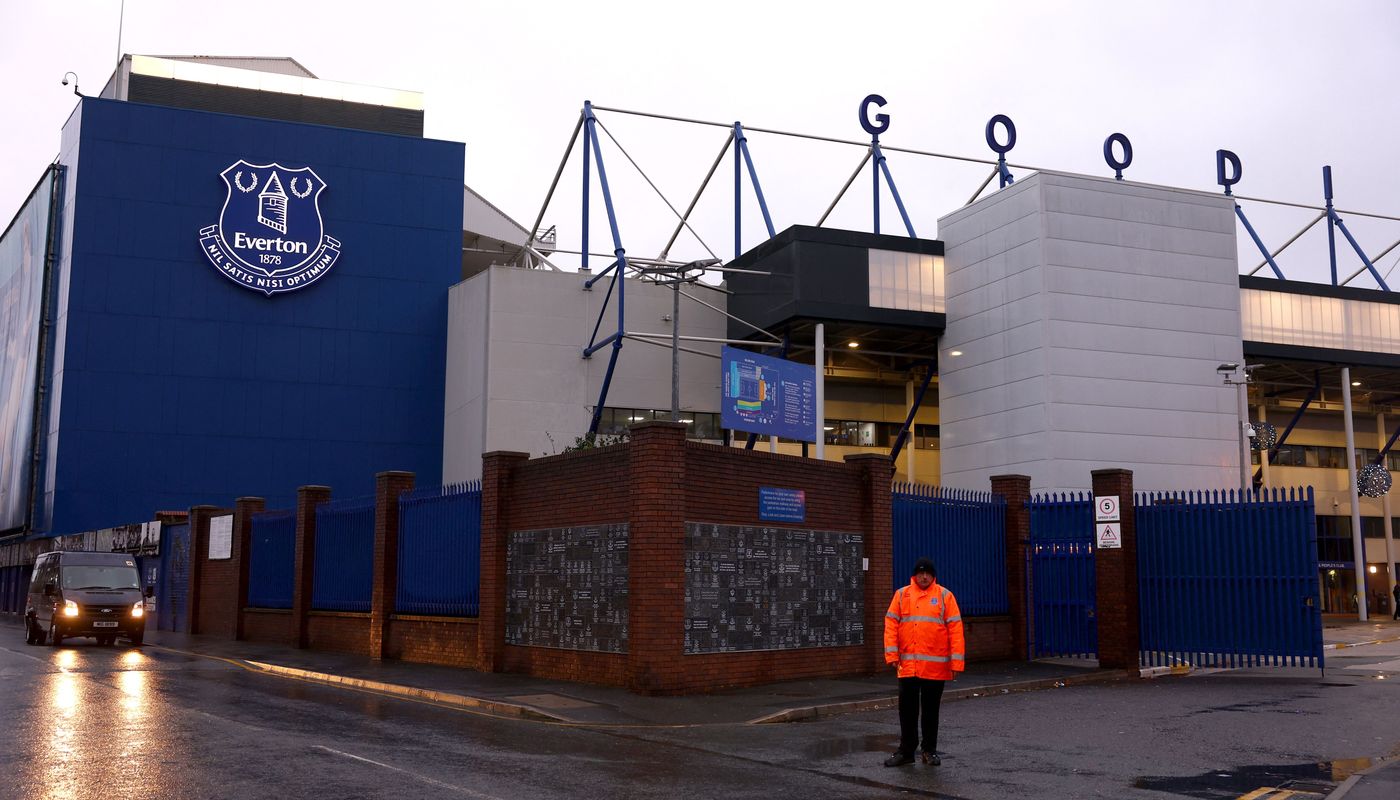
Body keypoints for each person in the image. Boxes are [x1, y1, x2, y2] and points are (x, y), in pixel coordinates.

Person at [882, 557, 965, 767]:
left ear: (933, 575)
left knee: (930, 711)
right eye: (920, 573)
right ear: (914, 575)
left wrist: (956, 663)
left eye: (927, 573)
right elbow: (891, 624)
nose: (924, 577)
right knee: (907, 712)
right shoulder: (902, 595)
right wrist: (891, 655)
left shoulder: (945, 596)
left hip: (935, 668)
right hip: (908, 666)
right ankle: (906, 751)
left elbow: (955, 630)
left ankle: (929, 751)